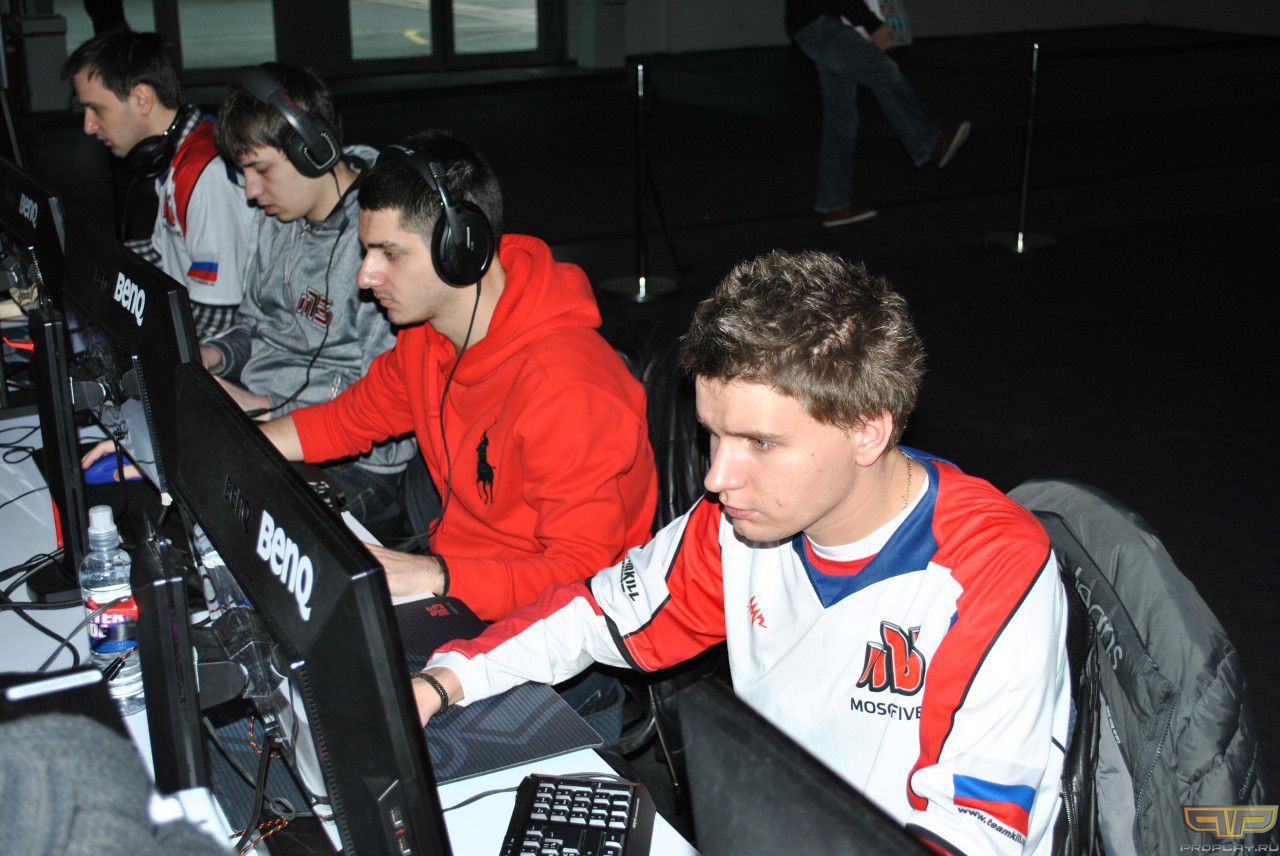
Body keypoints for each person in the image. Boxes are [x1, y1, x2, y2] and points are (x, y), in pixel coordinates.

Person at [414, 250, 1070, 854]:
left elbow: (973, 834)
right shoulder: (738, 524)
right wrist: (444, 681)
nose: (716, 478)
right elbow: (594, 616)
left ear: (867, 432)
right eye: (713, 435)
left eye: (760, 443)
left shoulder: (990, 570)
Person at [256, 129, 657, 738]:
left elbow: (583, 581)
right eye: (366, 250)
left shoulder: (569, 386)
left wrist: (433, 576)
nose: (365, 276)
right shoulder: (430, 334)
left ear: (461, 250)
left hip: (561, 646)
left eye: (389, 253)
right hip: (463, 598)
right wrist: (227, 445)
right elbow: (348, 418)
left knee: (359, 736)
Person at [202, 63, 416, 541]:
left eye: (261, 170)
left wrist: (262, 407)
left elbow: (386, 397)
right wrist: (213, 356)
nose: (251, 192)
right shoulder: (276, 216)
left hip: (361, 468)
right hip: (269, 425)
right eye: (243, 173)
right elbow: (255, 324)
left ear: (314, 150)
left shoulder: (381, 239)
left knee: (233, 521)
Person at [63, 31, 255, 339]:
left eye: (96, 109)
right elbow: (165, 257)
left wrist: (135, 335)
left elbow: (220, 317)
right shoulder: (175, 156)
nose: (88, 126)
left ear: (142, 99)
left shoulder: (205, 175)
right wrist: (89, 261)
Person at [786, 1, 972, 226]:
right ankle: (929, 143)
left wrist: (880, 25)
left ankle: (834, 203)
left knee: (841, 115)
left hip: (817, 25)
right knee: (882, 72)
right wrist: (874, 25)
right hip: (820, 25)